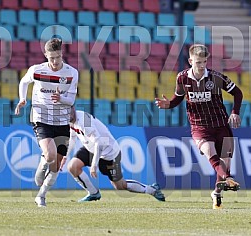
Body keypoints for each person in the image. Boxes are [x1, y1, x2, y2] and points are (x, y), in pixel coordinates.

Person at [155, 44, 243, 209]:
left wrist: (235, 112)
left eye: (204, 62)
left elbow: (237, 92)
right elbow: (178, 98)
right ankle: (228, 178)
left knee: (225, 161)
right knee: (211, 152)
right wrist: (169, 104)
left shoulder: (216, 78)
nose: (202, 66)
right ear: (190, 61)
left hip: (221, 124)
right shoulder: (182, 78)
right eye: (198, 62)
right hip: (199, 126)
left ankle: (217, 192)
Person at [15, 37, 79, 207]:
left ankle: (41, 195)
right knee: (50, 155)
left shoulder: (71, 73)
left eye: (58, 57)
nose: (55, 61)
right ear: (45, 55)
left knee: (56, 165)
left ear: (61, 54)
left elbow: (71, 99)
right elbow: (24, 82)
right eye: (51, 57)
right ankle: (43, 162)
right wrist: (23, 99)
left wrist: (61, 98)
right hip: (41, 118)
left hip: (62, 120)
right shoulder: (37, 70)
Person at [60, 106, 165, 202]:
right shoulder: (69, 121)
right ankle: (93, 193)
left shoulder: (84, 120)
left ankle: (151, 189)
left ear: (73, 108)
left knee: (120, 186)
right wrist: (65, 155)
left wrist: (94, 165)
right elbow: (72, 137)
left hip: (108, 153)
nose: (67, 114)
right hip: (91, 149)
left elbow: (99, 143)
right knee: (72, 167)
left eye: (68, 111)